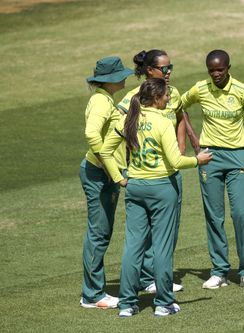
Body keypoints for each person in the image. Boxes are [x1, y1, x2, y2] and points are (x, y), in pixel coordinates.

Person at [100, 78, 212, 317]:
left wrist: (119, 178)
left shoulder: (128, 119)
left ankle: (127, 304)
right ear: (157, 98)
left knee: (133, 246)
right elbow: (176, 162)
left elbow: (105, 151)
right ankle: (163, 303)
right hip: (162, 189)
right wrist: (198, 160)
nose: (169, 98)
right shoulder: (162, 122)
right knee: (161, 246)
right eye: (166, 96)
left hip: (136, 188)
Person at [117, 49, 198, 293]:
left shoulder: (172, 92)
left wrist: (182, 145)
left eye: (170, 66)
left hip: (170, 170)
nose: (169, 71)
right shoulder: (135, 96)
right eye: (164, 68)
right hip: (150, 175)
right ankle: (149, 279)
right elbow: (119, 125)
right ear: (150, 71)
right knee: (150, 233)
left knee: (167, 230)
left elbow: (180, 116)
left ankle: (153, 277)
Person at [181, 49, 244, 290]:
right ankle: (218, 271)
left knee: (241, 215)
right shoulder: (200, 88)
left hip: (237, 156)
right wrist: (194, 140)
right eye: (211, 70)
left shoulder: (242, 90)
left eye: (220, 70)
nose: (215, 74)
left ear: (228, 68)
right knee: (214, 217)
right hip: (209, 157)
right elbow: (177, 106)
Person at [79, 56, 134, 309]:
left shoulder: (104, 99)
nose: (125, 77)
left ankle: (94, 291)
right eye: (121, 74)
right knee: (99, 233)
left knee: (102, 231)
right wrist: (106, 161)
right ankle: (92, 295)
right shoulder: (101, 101)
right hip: (99, 174)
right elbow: (91, 133)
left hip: (105, 173)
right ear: (111, 79)